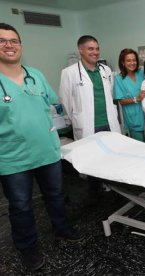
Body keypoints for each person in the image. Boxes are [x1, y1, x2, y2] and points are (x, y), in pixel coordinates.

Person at [0, 23, 82, 271]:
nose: (9, 45)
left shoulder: (35, 74)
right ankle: (28, 249)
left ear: (21, 45)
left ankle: (62, 229)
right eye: (2, 40)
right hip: (13, 158)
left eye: (14, 40)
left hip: (47, 151)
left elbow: (53, 103)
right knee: (21, 206)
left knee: (56, 196)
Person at [59, 35, 121, 141]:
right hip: (86, 126)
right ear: (81, 50)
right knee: (91, 156)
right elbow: (65, 101)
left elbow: (109, 95)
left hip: (109, 123)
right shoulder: (69, 73)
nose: (95, 52)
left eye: (97, 49)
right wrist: (77, 118)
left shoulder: (106, 70)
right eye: (90, 49)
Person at [114, 48, 145, 141]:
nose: (132, 63)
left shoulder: (142, 73)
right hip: (134, 119)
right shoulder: (119, 79)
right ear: (123, 62)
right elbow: (121, 101)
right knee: (140, 149)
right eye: (128, 60)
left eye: (134, 60)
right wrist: (136, 99)